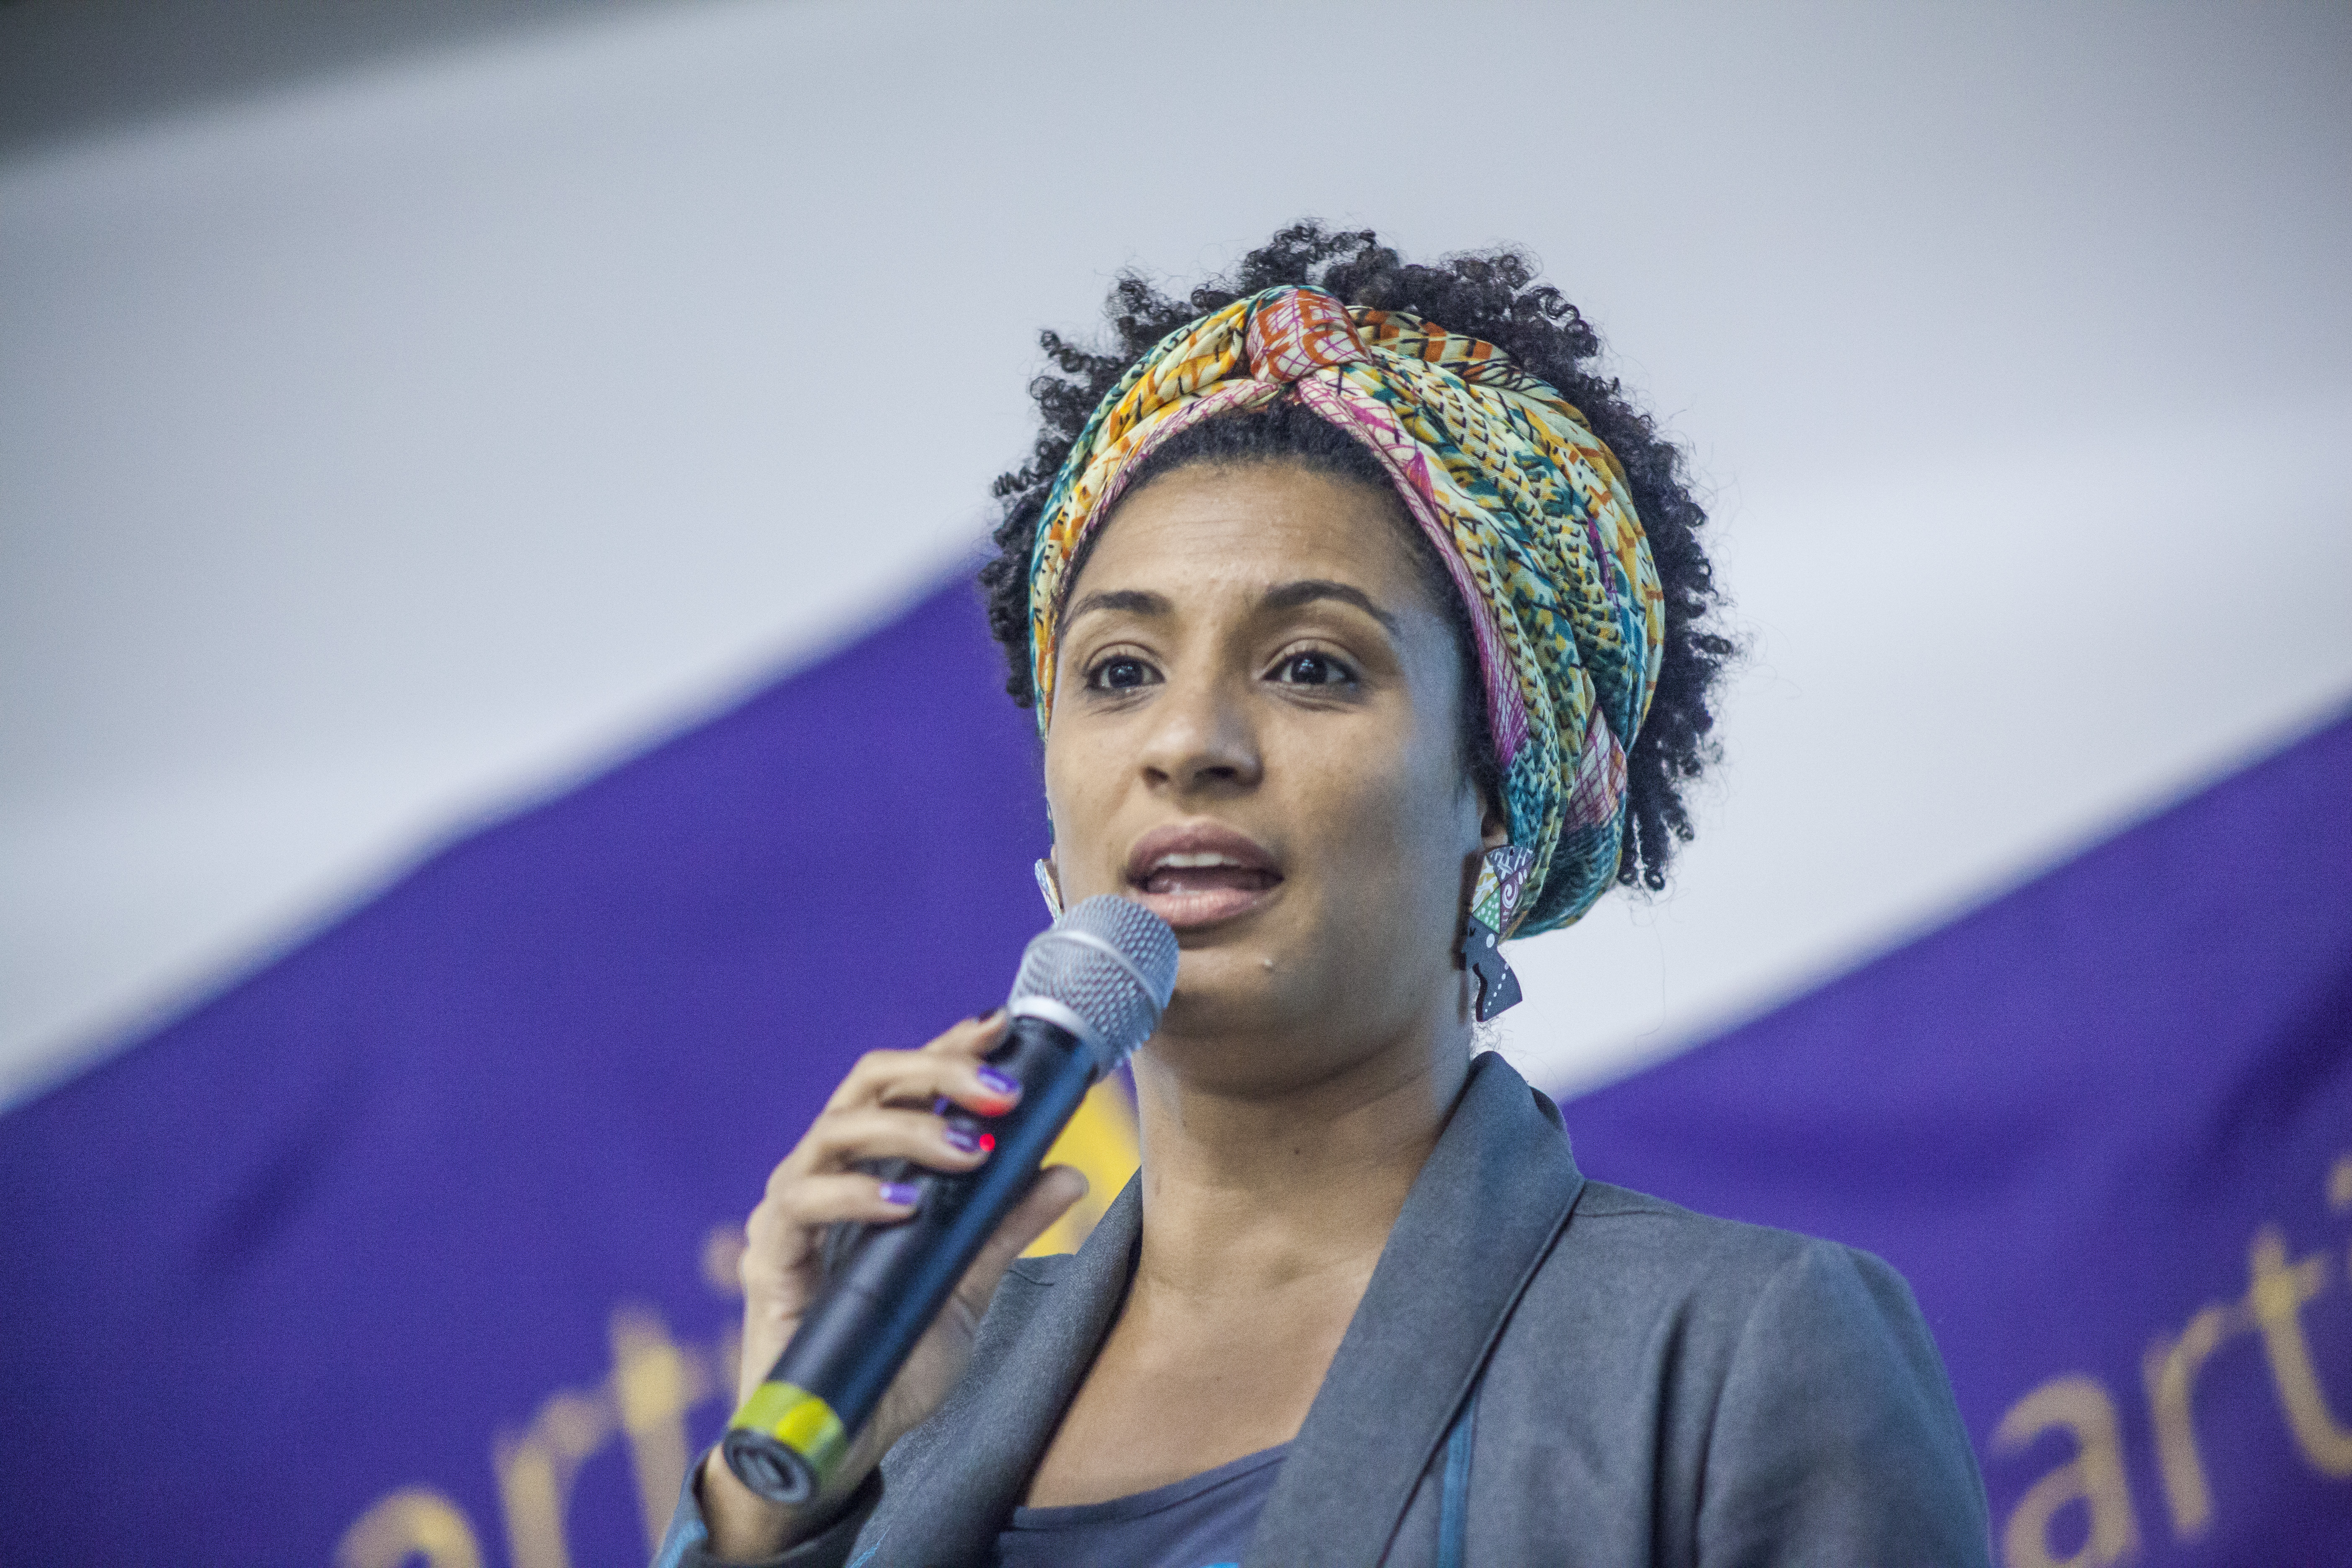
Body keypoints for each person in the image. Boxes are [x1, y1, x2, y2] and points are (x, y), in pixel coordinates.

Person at [657, 224, 1991, 1567]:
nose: (1188, 744)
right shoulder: (914, 1391)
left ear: (1495, 799)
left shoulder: (1733, 1353)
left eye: (1311, 666)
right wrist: (782, 1511)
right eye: (1121, 672)